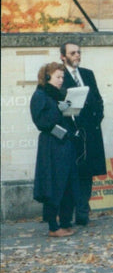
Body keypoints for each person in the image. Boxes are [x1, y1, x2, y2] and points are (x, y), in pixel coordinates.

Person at [30, 62, 81, 237]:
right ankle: (53, 226)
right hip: (51, 146)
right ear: (47, 77)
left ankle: (66, 222)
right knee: (54, 184)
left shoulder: (57, 95)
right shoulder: (40, 95)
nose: (61, 80)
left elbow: (63, 119)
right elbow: (42, 122)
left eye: (62, 77)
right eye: (58, 77)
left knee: (68, 183)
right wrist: (62, 129)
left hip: (65, 145)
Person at [61, 41, 106, 226]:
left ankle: (83, 211)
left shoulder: (87, 74)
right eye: (72, 53)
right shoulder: (59, 76)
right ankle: (72, 212)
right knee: (74, 172)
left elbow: (97, 99)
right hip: (74, 133)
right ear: (63, 56)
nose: (77, 55)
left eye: (78, 52)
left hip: (91, 131)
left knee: (88, 172)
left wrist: (97, 119)